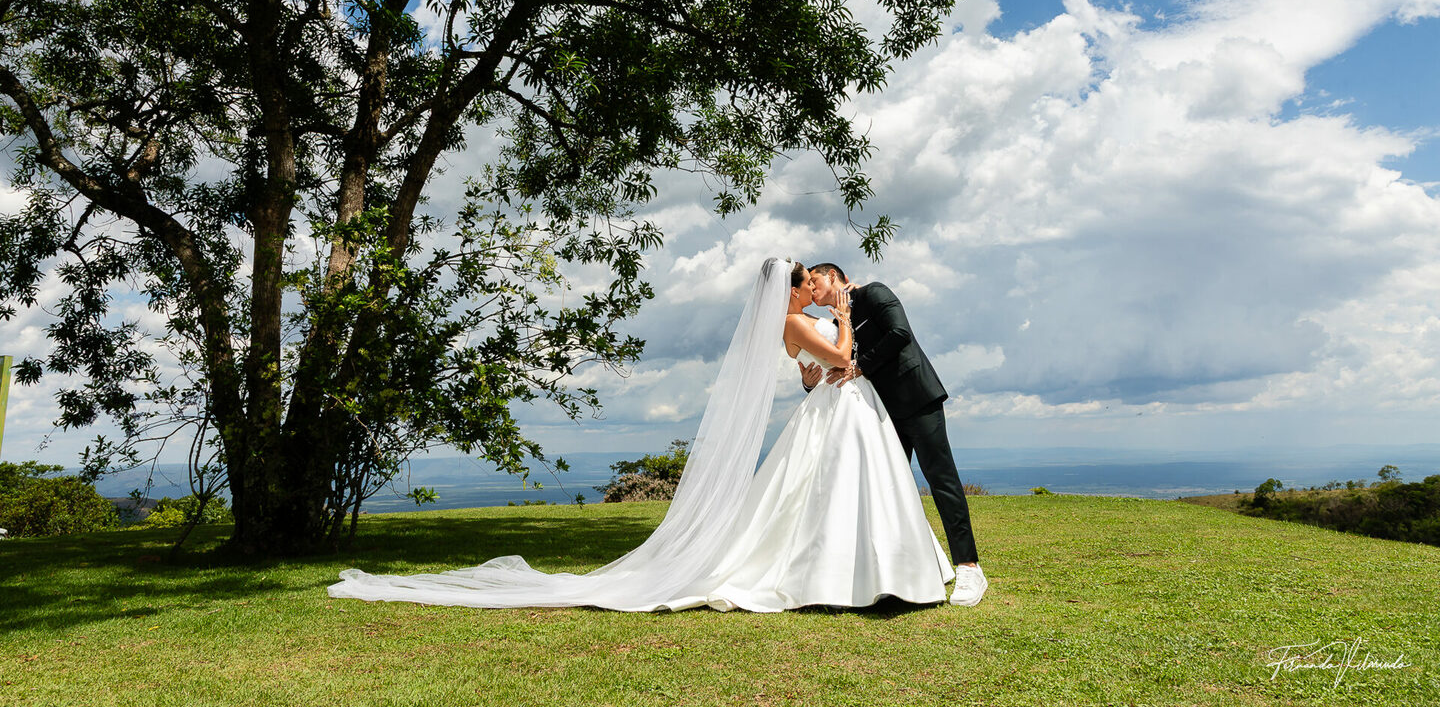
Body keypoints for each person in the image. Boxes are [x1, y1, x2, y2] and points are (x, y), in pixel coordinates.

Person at [327, 257, 956, 611]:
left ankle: (863, 573)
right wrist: (843, 323)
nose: (815, 292)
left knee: (813, 497)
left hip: (832, 412)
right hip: (838, 410)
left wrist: (824, 360)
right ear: (792, 292)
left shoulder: (789, 328)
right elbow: (842, 362)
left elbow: (809, 379)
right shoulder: (803, 322)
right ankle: (855, 575)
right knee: (820, 498)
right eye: (807, 285)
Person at [801, 263, 988, 606]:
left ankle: (969, 568)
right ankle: (897, 574)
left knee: (941, 480)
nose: (811, 289)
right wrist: (809, 382)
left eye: (814, 281)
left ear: (833, 276)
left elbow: (900, 333)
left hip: (917, 398)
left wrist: (861, 366)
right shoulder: (833, 323)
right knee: (887, 492)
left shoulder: (874, 293)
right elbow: (836, 366)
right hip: (879, 414)